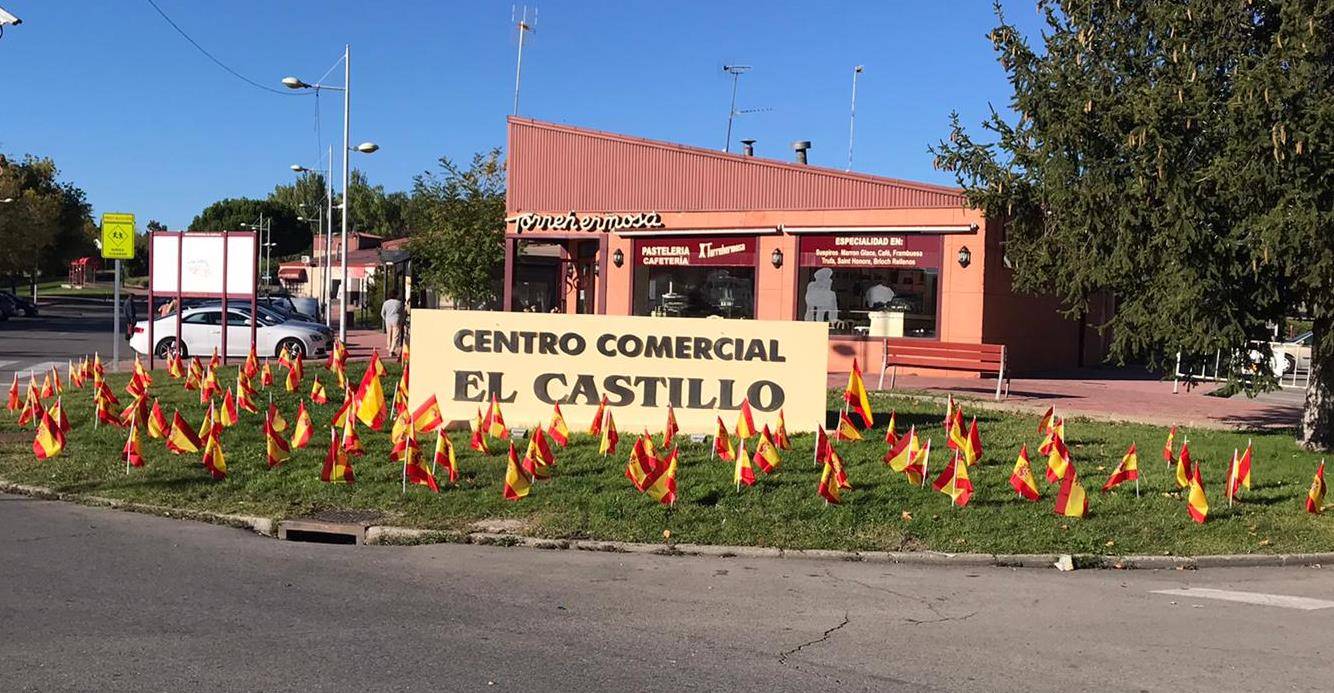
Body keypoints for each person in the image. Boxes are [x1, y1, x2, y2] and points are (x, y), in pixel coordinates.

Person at [381, 291, 405, 358]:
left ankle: (389, 347)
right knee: (395, 335)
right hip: (396, 319)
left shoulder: (386, 303)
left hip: (388, 320)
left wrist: (385, 318)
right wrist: (402, 320)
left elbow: (382, 313)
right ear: (396, 295)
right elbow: (403, 313)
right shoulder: (399, 303)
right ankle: (392, 350)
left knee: (389, 334)